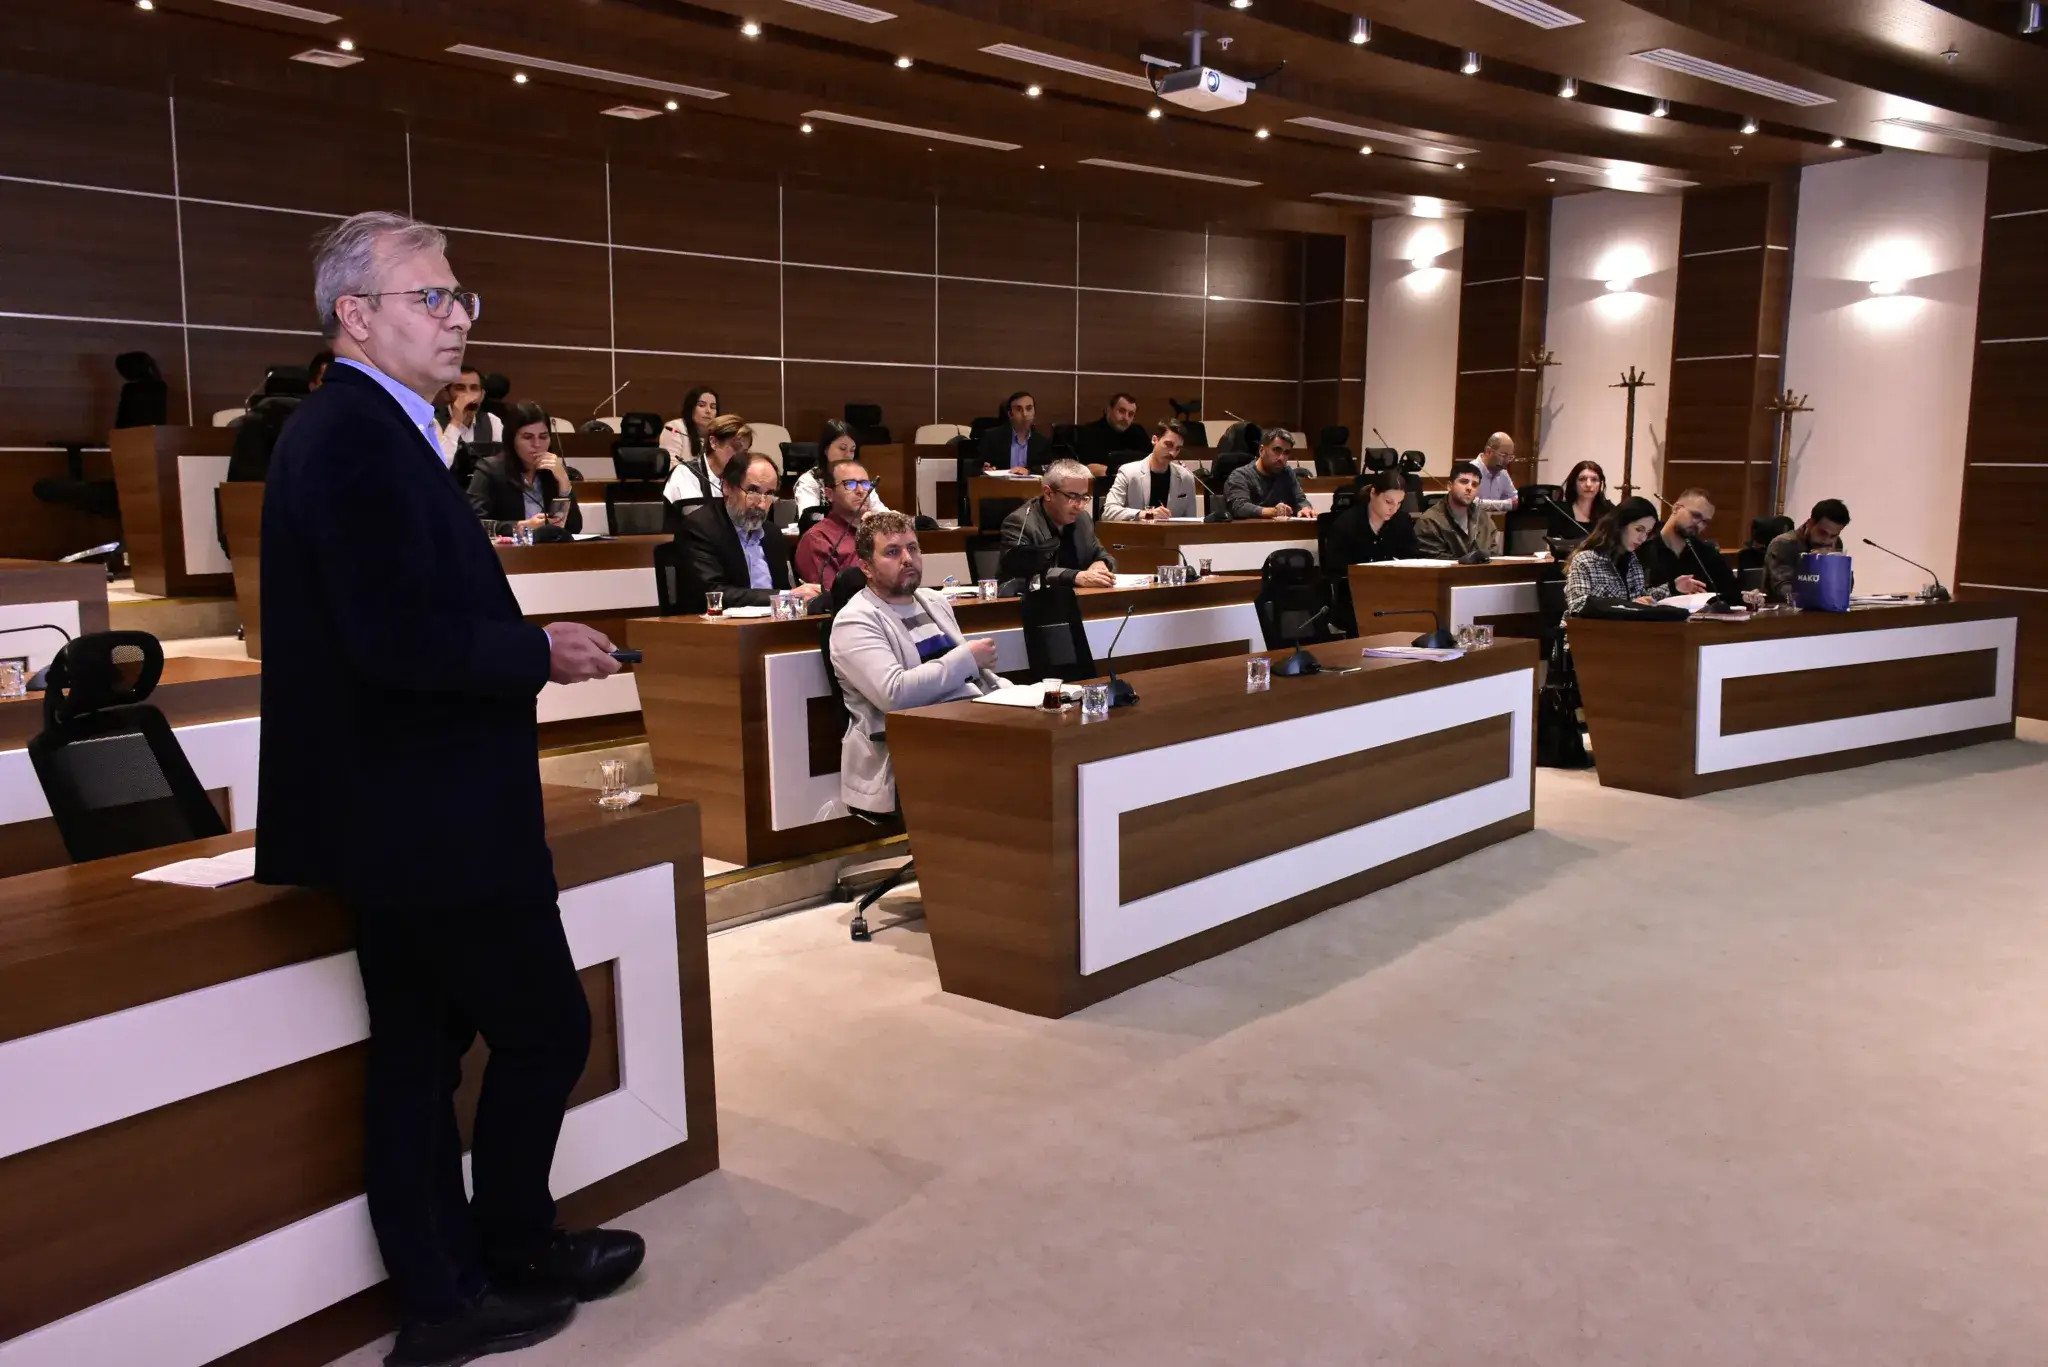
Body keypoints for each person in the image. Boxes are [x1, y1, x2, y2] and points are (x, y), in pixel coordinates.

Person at [257, 211, 636, 1367]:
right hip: (421, 814)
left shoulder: (376, 428)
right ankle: (488, 1260)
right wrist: (538, 653)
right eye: (431, 297)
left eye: (461, 295)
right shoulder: (355, 437)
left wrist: (520, 637)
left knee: (423, 1054)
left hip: (409, 808)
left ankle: (458, 1279)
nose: (459, 313)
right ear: (354, 315)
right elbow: (390, 639)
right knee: (542, 1026)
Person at [828, 510, 1003, 814]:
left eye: (912, 548)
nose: (907, 558)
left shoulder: (933, 601)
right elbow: (894, 695)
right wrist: (966, 659)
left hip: (966, 726)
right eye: (893, 552)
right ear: (866, 567)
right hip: (911, 745)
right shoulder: (855, 621)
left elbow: (971, 679)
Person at [677, 450, 820, 613]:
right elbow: (714, 593)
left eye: (769, 494)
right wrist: (784, 596)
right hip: (719, 629)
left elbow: (783, 588)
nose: (761, 504)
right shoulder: (700, 527)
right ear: (727, 487)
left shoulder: (772, 534)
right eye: (752, 491)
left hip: (774, 625)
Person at [1562, 496, 1705, 618]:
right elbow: (1578, 605)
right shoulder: (1585, 561)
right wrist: (1628, 606)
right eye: (1638, 529)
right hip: (1587, 639)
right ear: (1620, 525)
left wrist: (1674, 587)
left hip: (1624, 636)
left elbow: (1640, 598)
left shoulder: (1632, 561)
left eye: (1647, 533)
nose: (1642, 538)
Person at [998, 458, 1117, 595]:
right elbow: (1023, 574)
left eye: (1084, 497)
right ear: (1048, 493)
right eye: (1072, 496)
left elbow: (1101, 554)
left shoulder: (1082, 519)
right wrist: (1074, 577)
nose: (1080, 506)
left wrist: (1101, 564)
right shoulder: (1020, 523)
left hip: (1077, 602)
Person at [469, 400, 583, 538]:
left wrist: (564, 485)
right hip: (510, 555)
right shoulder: (489, 470)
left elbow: (574, 527)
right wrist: (520, 526)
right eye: (528, 437)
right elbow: (473, 523)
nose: (537, 444)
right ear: (512, 440)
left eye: (543, 437)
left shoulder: (554, 472)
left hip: (550, 553)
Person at [1635, 487, 1748, 603]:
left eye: (1705, 522)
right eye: (1696, 516)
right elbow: (1634, 596)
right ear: (1676, 508)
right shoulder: (1642, 547)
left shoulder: (1705, 553)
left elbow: (1731, 592)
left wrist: (1748, 598)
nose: (1699, 525)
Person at [793, 456, 871, 593]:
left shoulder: (876, 533)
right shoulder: (818, 539)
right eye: (850, 484)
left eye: (865, 484)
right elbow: (830, 598)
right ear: (829, 494)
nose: (861, 491)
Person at [1102, 421, 1198, 521]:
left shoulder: (1186, 477)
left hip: (1171, 535)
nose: (1172, 453)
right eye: (1168, 445)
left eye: (1177, 448)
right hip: (1136, 534)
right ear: (1154, 440)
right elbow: (1108, 512)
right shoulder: (1128, 472)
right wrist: (1146, 514)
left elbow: (1192, 522)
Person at [1764, 498, 1853, 605]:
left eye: (1833, 535)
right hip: (1780, 612)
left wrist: (1836, 564)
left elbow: (1845, 588)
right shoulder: (1784, 544)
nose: (1827, 540)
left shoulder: (1835, 543)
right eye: (1822, 533)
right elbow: (1784, 588)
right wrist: (1812, 562)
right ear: (1810, 523)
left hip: (1821, 609)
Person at [1323, 469, 1420, 564]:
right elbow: (1336, 569)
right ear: (1373, 493)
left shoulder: (1402, 521)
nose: (1394, 509)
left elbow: (1412, 559)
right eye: (1388, 502)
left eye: (1399, 503)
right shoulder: (1347, 524)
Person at [793, 419, 887, 515]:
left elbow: (881, 512)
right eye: (842, 448)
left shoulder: (860, 479)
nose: (848, 455)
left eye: (852, 450)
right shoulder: (810, 481)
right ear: (826, 449)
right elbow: (810, 520)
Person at [1224, 429, 1316, 521]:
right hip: (1250, 532)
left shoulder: (1287, 473)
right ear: (1261, 450)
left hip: (1283, 532)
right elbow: (1239, 507)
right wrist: (1273, 512)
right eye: (1277, 450)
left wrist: (1305, 508)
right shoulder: (1240, 475)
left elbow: (1300, 500)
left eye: (1286, 452)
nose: (1281, 458)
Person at [1413, 466, 1502, 560]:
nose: (1469, 488)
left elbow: (1494, 555)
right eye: (1464, 482)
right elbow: (1434, 561)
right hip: (1447, 574)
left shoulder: (1484, 518)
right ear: (1449, 486)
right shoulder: (1429, 521)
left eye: (1474, 484)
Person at [663, 413, 750, 504]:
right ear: (713, 442)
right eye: (735, 447)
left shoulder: (738, 477)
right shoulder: (685, 474)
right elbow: (694, 516)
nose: (740, 456)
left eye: (745, 452)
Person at [433, 364, 500, 463]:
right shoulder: (433, 422)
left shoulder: (492, 421)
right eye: (460, 388)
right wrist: (455, 421)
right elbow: (440, 464)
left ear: (482, 396)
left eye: (474, 388)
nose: (468, 395)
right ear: (446, 395)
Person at [1075, 391, 1150, 475]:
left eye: (1131, 414)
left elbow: (1149, 462)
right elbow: (1089, 468)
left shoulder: (1138, 432)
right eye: (1122, 411)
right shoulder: (1090, 431)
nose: (1126, 418)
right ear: (1109, 410)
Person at [976, 391, 1050, 472]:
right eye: (1019, 409)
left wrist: (1028, 471)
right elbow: (975, 468)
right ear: (1010, 414)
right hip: (1000, 483)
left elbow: (1048, 468)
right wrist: (984, 469)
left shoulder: (1042, 442)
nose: (1025, 414)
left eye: (1029, 408)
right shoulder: (991, 438)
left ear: (1034, 412)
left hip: (1029, 484)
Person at [663, 385, 720, 479]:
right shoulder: (676, 428)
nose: (708, 411)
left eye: (713, 407)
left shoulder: (718, 434)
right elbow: (671, 466)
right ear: (691, 408)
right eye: (701, 405)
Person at [1466, 432, 1519, 512]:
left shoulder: (1502, 472)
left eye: (1510, 457)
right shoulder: (1470, 470)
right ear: (1488, 451)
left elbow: (1515, 499)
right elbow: (1471, 502)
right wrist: (1507, 504)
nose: (1507, 461)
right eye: (1504, 455)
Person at [1559, 459, 1612, 533]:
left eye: (1594, 480)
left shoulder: (1609, 511)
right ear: (1574, 484)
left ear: (1600, 484)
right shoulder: (1561, 511)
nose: (1588, 484)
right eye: (1582, 479)